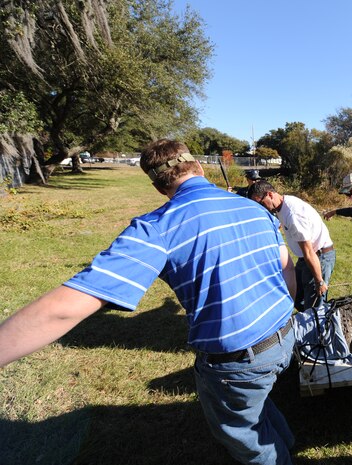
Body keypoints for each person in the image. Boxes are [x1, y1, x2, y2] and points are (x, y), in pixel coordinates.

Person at [0, 140, 298, 465]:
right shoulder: (254, 207)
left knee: (249, 439)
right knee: (259, 402)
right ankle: (287, 446)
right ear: (198, 167)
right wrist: (281, 321)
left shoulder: (158, 228)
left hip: (238, 362)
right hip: (284, 335)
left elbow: (63, 310)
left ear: (158, 187)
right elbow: (287, 270)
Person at [248, 180, 335, 310]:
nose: (260, 208)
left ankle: (318, 327)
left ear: (270, 195)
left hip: (318, 258)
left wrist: (319, 281)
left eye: (260, 203)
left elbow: (309, 252)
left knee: (313, 309)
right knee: (295, 295)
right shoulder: (282, 205)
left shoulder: (293, 215)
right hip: (305, 258)